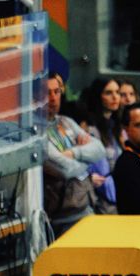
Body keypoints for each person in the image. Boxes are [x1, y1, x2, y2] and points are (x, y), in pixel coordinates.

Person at [43, 74, 109, 236]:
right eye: (47, 93)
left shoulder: (65, 122)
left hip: (86, 206)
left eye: (57, 92)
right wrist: (86, 162)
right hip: (60, 217)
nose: (53, 98)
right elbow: (63, 169)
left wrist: (73, 152)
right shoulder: (35, 132)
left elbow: (99, 149)